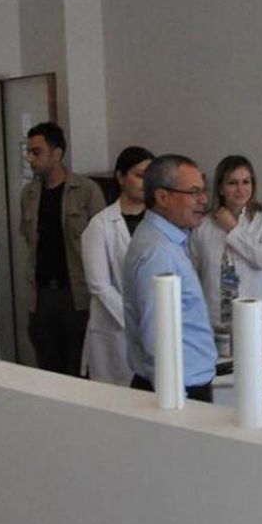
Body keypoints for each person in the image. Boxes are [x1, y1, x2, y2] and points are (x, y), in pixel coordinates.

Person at [122, 154, 218, 401]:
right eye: (194, 192)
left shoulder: (169, 240)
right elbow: (157, 337)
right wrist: (175, 402)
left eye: (203, 191)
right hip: (175, 388)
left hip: (182, 382)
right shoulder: (159, 252)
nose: (204, 200)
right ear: (163, 197)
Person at [20, 122, 106, 375]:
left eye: (36, 152)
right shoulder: (29, 194)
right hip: (43, 294)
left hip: (77, 293)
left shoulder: (86, 191)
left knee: (80, 367)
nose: (30, 158)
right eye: (28, 152)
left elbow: (103, 242)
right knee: (48, 367)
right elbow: (29, 240)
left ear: (57, 153)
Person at [190, 155, 262, 351]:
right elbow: (193, 270)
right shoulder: (203, 224)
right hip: (218, 318)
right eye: (232, 183)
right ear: (221, 188)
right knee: (224, 367)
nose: (240, 189)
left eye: (246, 182)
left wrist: (233, 228)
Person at [79, 146, 154, 385]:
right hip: (115, 330)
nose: (146, 183)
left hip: (155, 327)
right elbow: (99, 285)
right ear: (121, 177)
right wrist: (134, 321)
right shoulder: (100, 225)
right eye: (139, 175)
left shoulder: (159, 222)